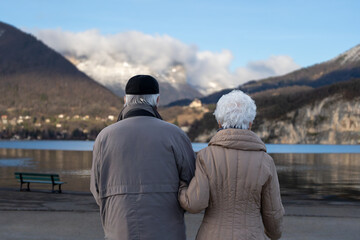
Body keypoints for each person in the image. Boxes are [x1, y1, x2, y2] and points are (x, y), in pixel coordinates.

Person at [91, 75, 196, 240]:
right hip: (167, 230)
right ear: (157, 101)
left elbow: (97, 188)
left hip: (119, 229)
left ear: (126, 100)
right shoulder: (175, 134)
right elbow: (191, 182)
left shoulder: (104, 137)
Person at [179, 90, 285, 240]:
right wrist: (274, 234)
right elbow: (273, 212)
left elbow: (195, 203)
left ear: (220, 122)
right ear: (250, 123)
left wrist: (181, 187)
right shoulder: (265, 161)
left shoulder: (206, 156)